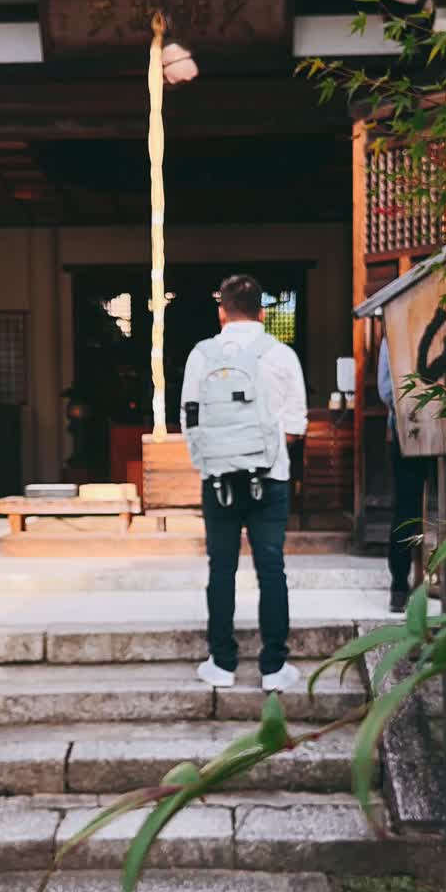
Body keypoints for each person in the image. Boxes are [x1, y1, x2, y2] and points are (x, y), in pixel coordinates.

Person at [181, 273, 308, 690]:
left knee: (221, 568)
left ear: (222, 311)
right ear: (264, 312)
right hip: (269, 477)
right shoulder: (281, 354)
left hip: (217, 478)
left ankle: (222, 664)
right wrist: (262, 450)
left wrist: (215, 457)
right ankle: (273, 668)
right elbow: (296, 425)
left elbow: (189, 418)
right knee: (271, 569)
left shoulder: (201, 355)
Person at [378, 336, 429, 613]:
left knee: (406, 507)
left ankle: (399, 588)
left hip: (408, 424)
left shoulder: (395, 331)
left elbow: (386, 389)